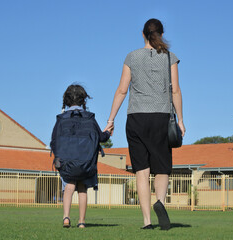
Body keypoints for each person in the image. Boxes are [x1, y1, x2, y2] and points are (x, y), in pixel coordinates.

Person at [104, 19, 185, 230]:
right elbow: (175, 90)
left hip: (136, 118)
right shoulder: (170, 57)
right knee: (162, 167)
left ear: (143, 34)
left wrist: (111, 120)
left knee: (141, 170)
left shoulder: (132, 57)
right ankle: (160, 201)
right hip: (161, 117)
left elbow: (122, 90)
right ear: (161, 33)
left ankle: (147, 221)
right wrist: (181, 120)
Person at [51, 84, 111, 228]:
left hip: (67, 163)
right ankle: (82, 222)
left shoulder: (61, 119)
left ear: (66, 100)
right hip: (86, 163)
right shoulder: (89, 118)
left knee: (69, 187)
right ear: (84, 100)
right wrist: (108, 132)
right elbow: (101, 138)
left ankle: (66, 217)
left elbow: (53, 140)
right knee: (82, 189)